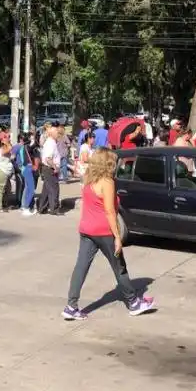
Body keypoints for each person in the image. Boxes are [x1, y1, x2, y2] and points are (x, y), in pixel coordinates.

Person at [61, 148, 155, 320]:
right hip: (103, 231)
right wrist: (118, 237)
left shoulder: (88, 179)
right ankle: (133, 302)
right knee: (119, 267)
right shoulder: (107, 182)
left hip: (86, 229)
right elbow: (110, 212)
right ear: (108, 163)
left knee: (81, 267)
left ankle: (71, 306)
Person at [38, 125, 61, 215]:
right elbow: (48, 158)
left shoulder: (51, 142)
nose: (58, 134)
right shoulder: (51, 143)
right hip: (50, 168)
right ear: (52, 133)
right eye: (56, 132)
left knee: (46, 190)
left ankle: (42, 208)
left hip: (47, 168)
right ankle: (54, 209)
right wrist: (55, 167)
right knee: (54, 189)